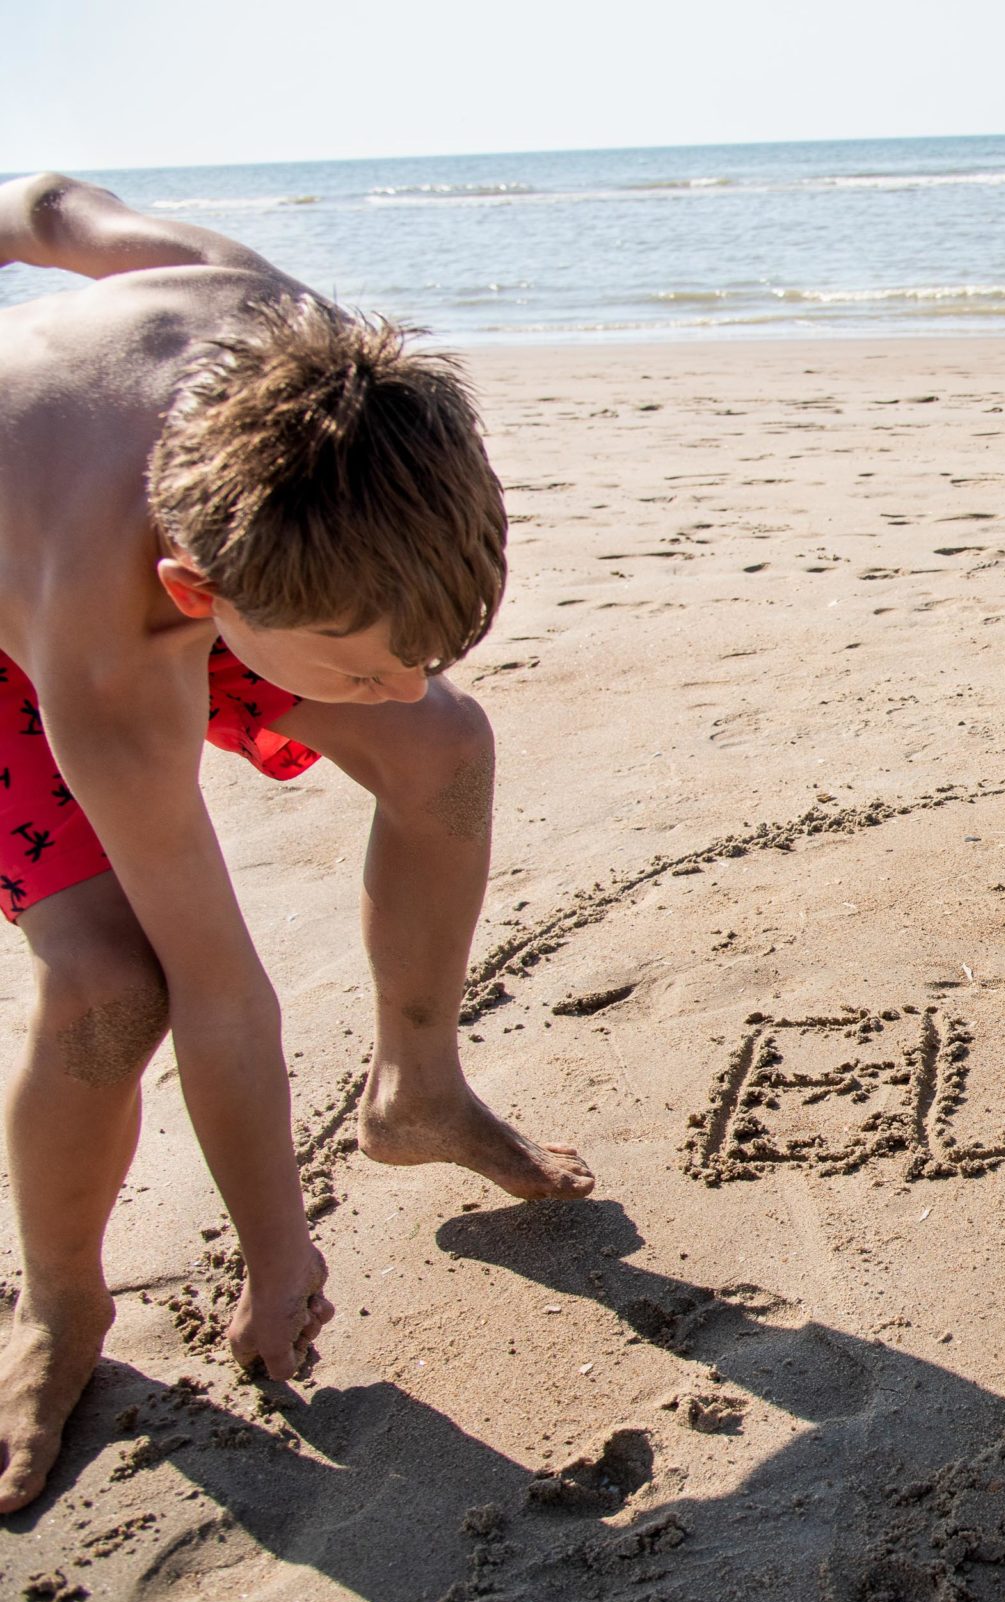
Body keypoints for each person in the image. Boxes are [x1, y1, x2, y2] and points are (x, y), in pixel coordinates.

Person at [0, 173, 593, 1514]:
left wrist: (395, 676)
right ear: (198, 601)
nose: (396, 680)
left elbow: (44, 207)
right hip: (23, 619)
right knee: (112, 980)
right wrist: (280, 1256)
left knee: (441, 746)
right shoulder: (109, 659)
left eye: (422, 649)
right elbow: (223, 993)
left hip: (183, 553)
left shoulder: (302, 355)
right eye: (365, 666)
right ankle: (60, 1301)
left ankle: (418, 1088)